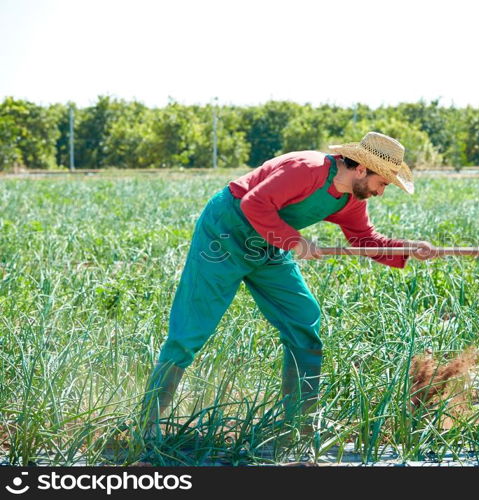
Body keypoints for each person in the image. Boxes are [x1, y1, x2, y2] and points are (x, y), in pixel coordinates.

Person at [140, 131, 438, 441]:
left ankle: (300, 426)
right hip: (224, 235)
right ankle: (147, 427)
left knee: (303, 318)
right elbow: (254, 205)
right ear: (362, 169)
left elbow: (365, 240)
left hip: (268, 245)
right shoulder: (306, 169)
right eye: (383, 182)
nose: (381, 191)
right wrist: (295, 241)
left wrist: (407, 248)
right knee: (191, 328)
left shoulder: (351, 200)